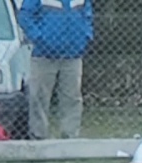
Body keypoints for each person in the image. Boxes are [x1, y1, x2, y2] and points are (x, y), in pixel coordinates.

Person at [18, 0, 93, 140]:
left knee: (72, 98)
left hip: (73, 55)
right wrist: (39, 38)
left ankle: (70, 137)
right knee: (39, 97)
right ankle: (39, 137)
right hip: (44, 56)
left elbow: (87, 15)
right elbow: (25, 16)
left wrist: (85, 36)